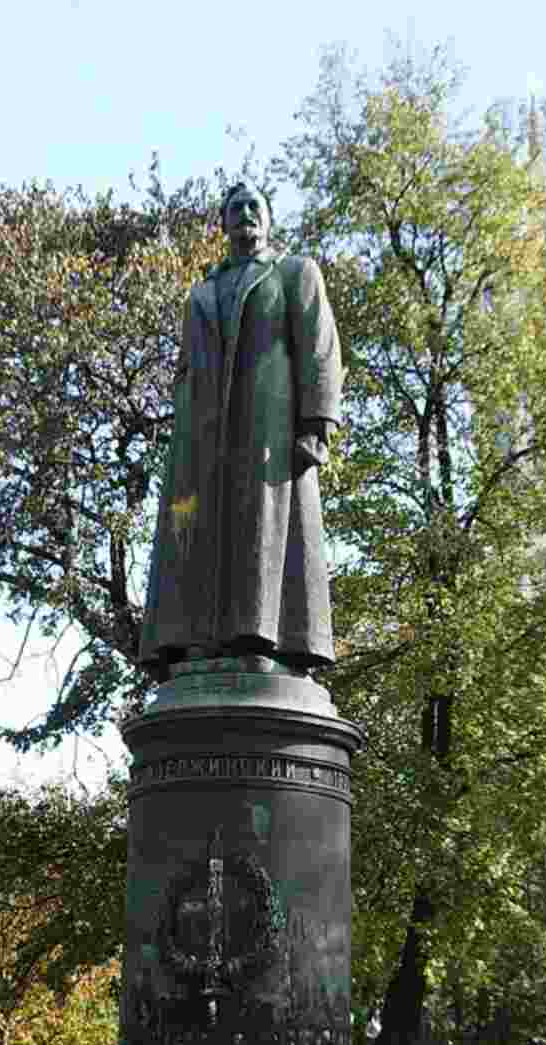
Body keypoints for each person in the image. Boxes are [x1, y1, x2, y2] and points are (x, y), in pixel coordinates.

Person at [139, 182, 343, 677]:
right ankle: (198, 640)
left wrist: (316, 424)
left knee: (264, 529)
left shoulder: (295, 273)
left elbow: (321, 348)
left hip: (266, 427)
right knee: (201, 533)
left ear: (269, 219)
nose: (245, 214)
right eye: (234, 208)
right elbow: (187, 366)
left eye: (254, 206)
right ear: (222, 222)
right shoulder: (204, 290)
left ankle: (260, 638)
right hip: (203, 438)